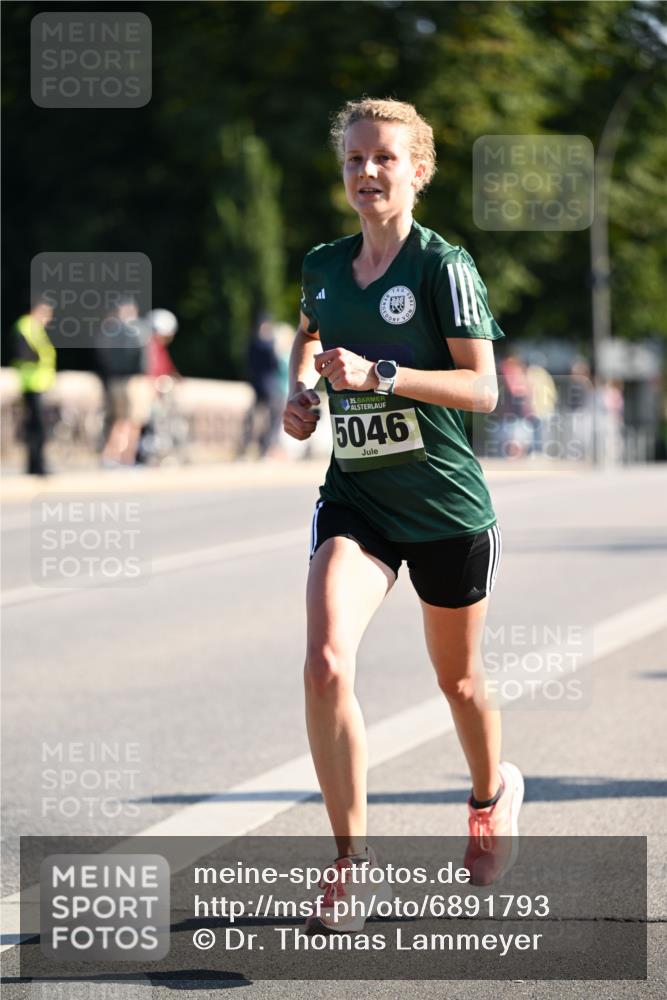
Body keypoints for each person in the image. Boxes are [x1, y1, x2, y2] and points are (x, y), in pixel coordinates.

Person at [282, 98, 523, 933]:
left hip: (448, 510)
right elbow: (308, 335)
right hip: (358, 502)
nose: (366, 173)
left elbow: (482, 390)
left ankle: (490, 795)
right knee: (322, 664)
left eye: (383, 158)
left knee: (456, 682)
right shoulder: (321, 263)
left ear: (417, 170)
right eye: (353, 160)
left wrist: (381, 375)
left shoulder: (440, 266)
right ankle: (350, 865)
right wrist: (302, 393)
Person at [95, 298, 151, 467]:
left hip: (114, 380)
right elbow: (141, 356)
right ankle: (126, 458)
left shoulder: (109, 331)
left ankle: (111, 455)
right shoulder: (135, 330)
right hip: (133, 380)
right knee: (133, 421)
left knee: (119, 420)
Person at [10, 297, 56, 475]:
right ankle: (38, 466)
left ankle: (35, 465)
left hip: (38, 382)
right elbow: (25, 353)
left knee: (35, 426)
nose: (48, 318)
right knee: (38, 427)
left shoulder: (34, 328)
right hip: (32, 383)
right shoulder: (26, 326)